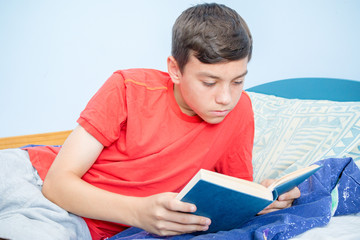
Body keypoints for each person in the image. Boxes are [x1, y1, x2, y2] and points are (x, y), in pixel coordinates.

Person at [0, 3, 300, 240]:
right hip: (31, 173)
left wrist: (265, 199)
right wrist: (139, 212)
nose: (226, 98)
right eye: (210, 82)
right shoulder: (128, 87)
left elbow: (232, 194)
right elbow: (57, 183)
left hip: (75, 221)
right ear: (175, 69)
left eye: (237, 81)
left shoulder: (240, 110)